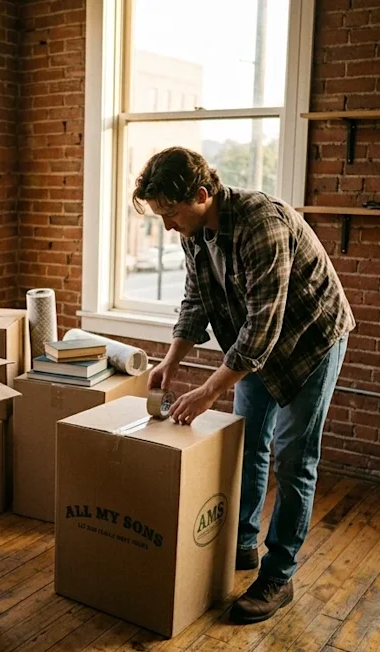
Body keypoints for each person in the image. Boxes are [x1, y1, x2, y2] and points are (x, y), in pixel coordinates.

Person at [134, 147, 355, 624]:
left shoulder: (261, 224)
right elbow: (196, 301)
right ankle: (241, 544)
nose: (169, 226)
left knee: (293, 458)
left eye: (171, 213)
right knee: (249, 445)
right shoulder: (194, 233)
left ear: (201, 193)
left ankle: (279, 575)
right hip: (253, 349)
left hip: (309, 343)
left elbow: (262, 328)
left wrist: (210, 389)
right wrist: (170, 363)